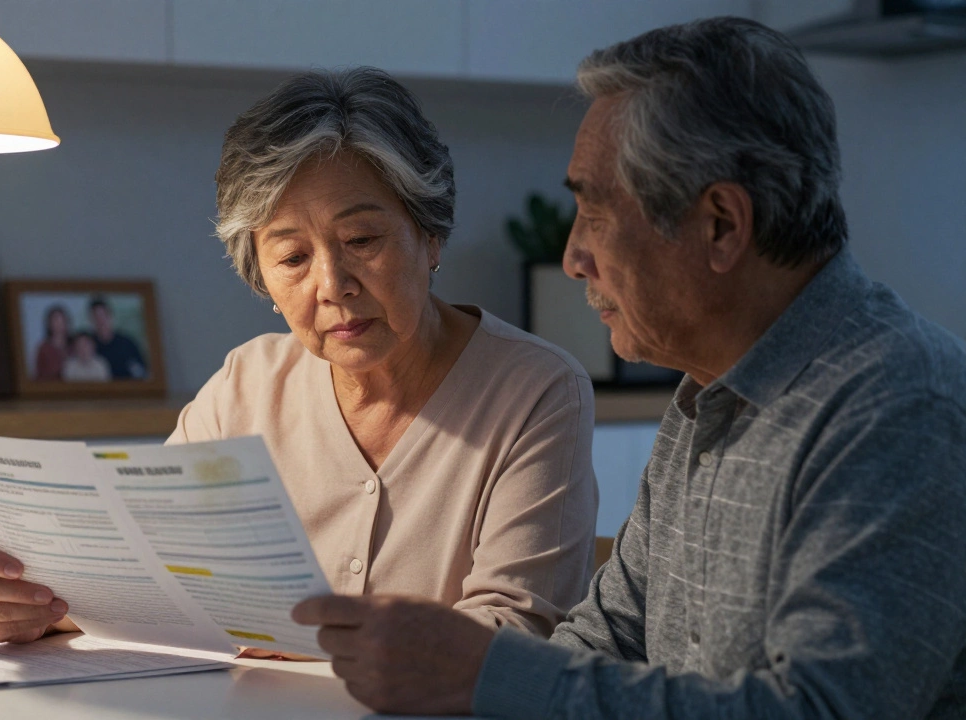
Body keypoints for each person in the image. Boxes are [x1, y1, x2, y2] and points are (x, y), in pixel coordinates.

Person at [291, 17, 966, 719]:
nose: (574, 256)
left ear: (722, 226)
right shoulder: (704, 397)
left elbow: (817, 712)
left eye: (597, 214)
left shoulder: (902, 406)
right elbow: (606, 639)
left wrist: (483, 674)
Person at [0, 67, 600, 646]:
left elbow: (517, 633)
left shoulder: (536, 390)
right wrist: (35, 602)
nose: (332, 284)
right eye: (292, 258)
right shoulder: (245, 386)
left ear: (430, 236)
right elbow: (153, 585)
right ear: (260, 278)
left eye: (362, 239)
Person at [89, 299, 147, 379]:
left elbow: (142, 372)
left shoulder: (127, 344)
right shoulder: (88, 346)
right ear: (91, 320)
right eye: (96, 317)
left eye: (103, 316)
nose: (101, 321)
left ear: (110, 316)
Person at [33, 305, 70, 381]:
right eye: (56, 320)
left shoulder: (74, 345)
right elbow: (38, 375)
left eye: (62, 320)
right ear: (49, 324)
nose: (59, 324)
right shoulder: (43, 349)